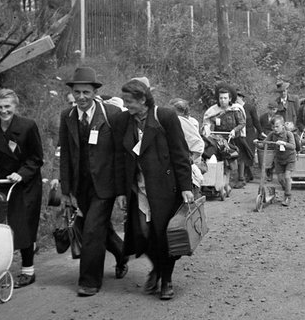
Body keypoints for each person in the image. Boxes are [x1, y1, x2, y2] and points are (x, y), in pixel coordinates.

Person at [112, 78, 194, 300]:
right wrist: (121, 191)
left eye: (130, 101)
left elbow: (180, 152)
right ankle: (157, 267)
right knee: (142, 234)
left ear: (142, 99)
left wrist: (186, 187)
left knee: (164, 235)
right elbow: (120, 158)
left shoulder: (165, 117)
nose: (126, 105)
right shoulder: (123, 121)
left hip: (165, 188)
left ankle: (166, 279)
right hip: (138, 189)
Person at [58, 67, 127, 297]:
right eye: (77, 92)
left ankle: (89, 281)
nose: (81, 97)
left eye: (86, 92)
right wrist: (66, 189)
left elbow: (120, 154)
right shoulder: (66, 116)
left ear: (95, 91)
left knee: (91, 231)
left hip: (105, 186)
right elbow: (66, 154)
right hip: (81, 186)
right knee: (99, 230)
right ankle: (121, 253)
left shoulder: (112, 114)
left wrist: (121, 190)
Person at [0, 88, 44, 288]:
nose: (4, 111)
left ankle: (28, 270)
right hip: (1, 181)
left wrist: (21, 174)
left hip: (25, 182)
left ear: (15, 106)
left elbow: (37, 158)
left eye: (8, 107)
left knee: (23, 223)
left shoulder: (28, 126)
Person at [202, 85, 250, 190]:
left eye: (225, 98)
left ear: (229, 99)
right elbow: (207, 121)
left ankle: (227, 182)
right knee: (215, 159)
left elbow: (242, 123)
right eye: (221, 98)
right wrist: (208, 126)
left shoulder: (235, 109)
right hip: (217, 138)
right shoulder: (213, 110)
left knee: (228, 161)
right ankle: (214, 182)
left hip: (232, 138)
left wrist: (234, 130)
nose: (223, 100)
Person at [260, 115, 297, 207]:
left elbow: (293, 146)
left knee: (287, 177)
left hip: (290, 159)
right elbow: (264, 143)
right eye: (273, 127)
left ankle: (287, 196)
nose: (275, 129)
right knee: (280, 179)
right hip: (279, 159)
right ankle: (287, 189)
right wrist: (258, 143)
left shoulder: (288, 134)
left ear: (283, 126)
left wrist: (284, 143)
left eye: (277, 126)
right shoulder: (272, 135)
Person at [236, 89, 261, 183]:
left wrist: (260, 132)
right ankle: (244, 176)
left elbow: (256, 121)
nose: (236, 99)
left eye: (238, 97)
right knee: (241, 154)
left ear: (242, 97)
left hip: (250, 134)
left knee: (248, 155)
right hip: (239, 135)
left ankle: (248, 174)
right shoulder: (234, 108)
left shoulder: (250, 108)